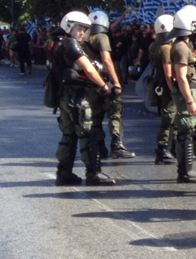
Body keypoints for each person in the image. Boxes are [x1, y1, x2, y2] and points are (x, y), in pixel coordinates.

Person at [53, 11, 116, 186]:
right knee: (88, 133)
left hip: (66, 96)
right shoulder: (71, 44)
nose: (82, 32)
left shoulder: (59, 44)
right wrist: (104, 86)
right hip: (77, 97)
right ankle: (93, 172)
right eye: (79, 28)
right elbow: (88, 69)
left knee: (70, 134)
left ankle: (64, 171)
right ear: (68, 26)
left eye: (84, 29)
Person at [170, 6, 196, 183]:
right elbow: (181, 77)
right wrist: (189, 100)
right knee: (186, 130)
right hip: (187, 91)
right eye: (195, 24)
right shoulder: (180, 47)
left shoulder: (188, 44)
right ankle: (185, 171)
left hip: (194, 89)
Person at [86, 10, 135, 159]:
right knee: (115, 112)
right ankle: (116, 145)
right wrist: (116, 82)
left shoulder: (85, 38)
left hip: (90, 80)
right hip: (105, 79)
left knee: (96, 116)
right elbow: (106, 60)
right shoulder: (102, 37)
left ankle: (99, 147)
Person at [149, 14, 177, 165]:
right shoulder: (166, 48)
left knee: (169, 118)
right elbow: (168, 73)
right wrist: (174, 90)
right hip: (167, 87)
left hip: (158, 85)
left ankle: (170, 148)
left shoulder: (154, 45)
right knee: (169, 119)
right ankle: (163, 150)